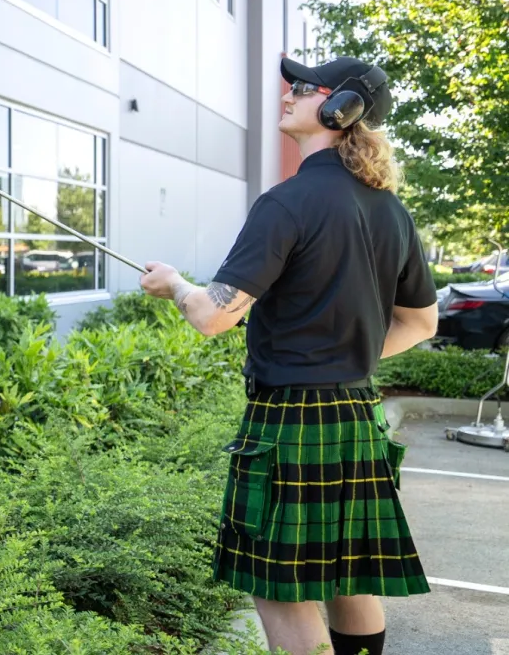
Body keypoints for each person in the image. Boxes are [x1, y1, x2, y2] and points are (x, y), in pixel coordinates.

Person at [139, 57, 437, 655]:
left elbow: (213, 315)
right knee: (353, 575)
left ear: (341, 108)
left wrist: (174, 284)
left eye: (303, 87)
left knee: (283, 592)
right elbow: (421, 322)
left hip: (289, 424)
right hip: (356, 415)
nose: (287, 94)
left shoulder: (287, 202)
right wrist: (342, 347)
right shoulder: (391, 211)